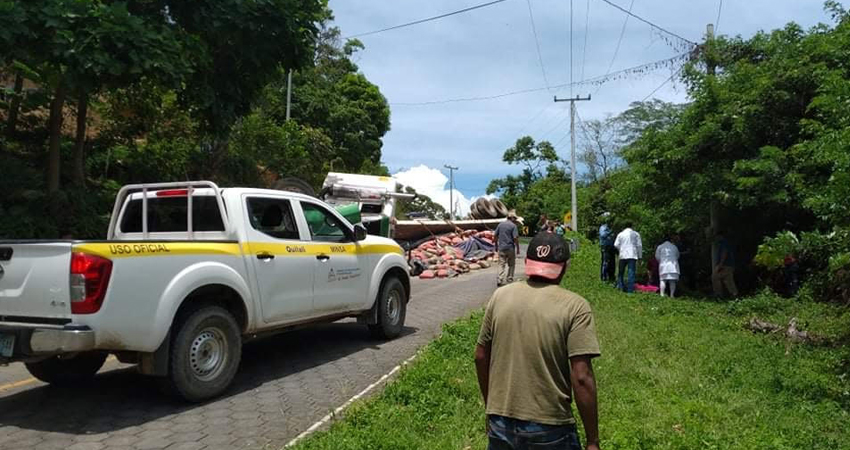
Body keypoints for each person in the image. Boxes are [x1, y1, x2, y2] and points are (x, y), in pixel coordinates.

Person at [475, 232, 601, 450]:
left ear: (526, 263)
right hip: (550, 426)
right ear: (565, 266)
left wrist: (491, 408)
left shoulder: (500, 296)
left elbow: (480, 356)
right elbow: (581, 377)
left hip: (501, 422)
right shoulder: (576, 306)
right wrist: (592, 441)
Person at [614, 222, 642, 293]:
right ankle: (630, 290)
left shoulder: (620, 234)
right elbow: (639, 246)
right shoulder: (636, 234)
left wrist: (621, 249)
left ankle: (620, 287)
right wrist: (640, 256)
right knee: (631, 273)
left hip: (623, 255)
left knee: (621, 272)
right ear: (632, 226)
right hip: (632, 255)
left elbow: (616, 244)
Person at [494, 210, 521, 287]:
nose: (515, 220)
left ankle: (500, 279)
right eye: (514, 218)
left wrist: (496, 246)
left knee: (501, 264)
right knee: (511, 264)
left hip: (501, 248)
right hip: (510, 248)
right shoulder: (513, 226)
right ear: (511, 218)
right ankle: (509, 278)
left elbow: (495, 236)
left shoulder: (500, 225)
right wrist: (518, 248)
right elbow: (515, 238)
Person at [712, 230, 739, 298]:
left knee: (715, 277)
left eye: (717, 237)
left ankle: (718, 294)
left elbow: (724, 253)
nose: (716, 238)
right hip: (729, 265)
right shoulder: (726, 243)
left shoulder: (724, 243)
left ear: (720, 236)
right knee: (728, 280)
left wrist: (720, 264)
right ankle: (734, 294)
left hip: (725, 265)